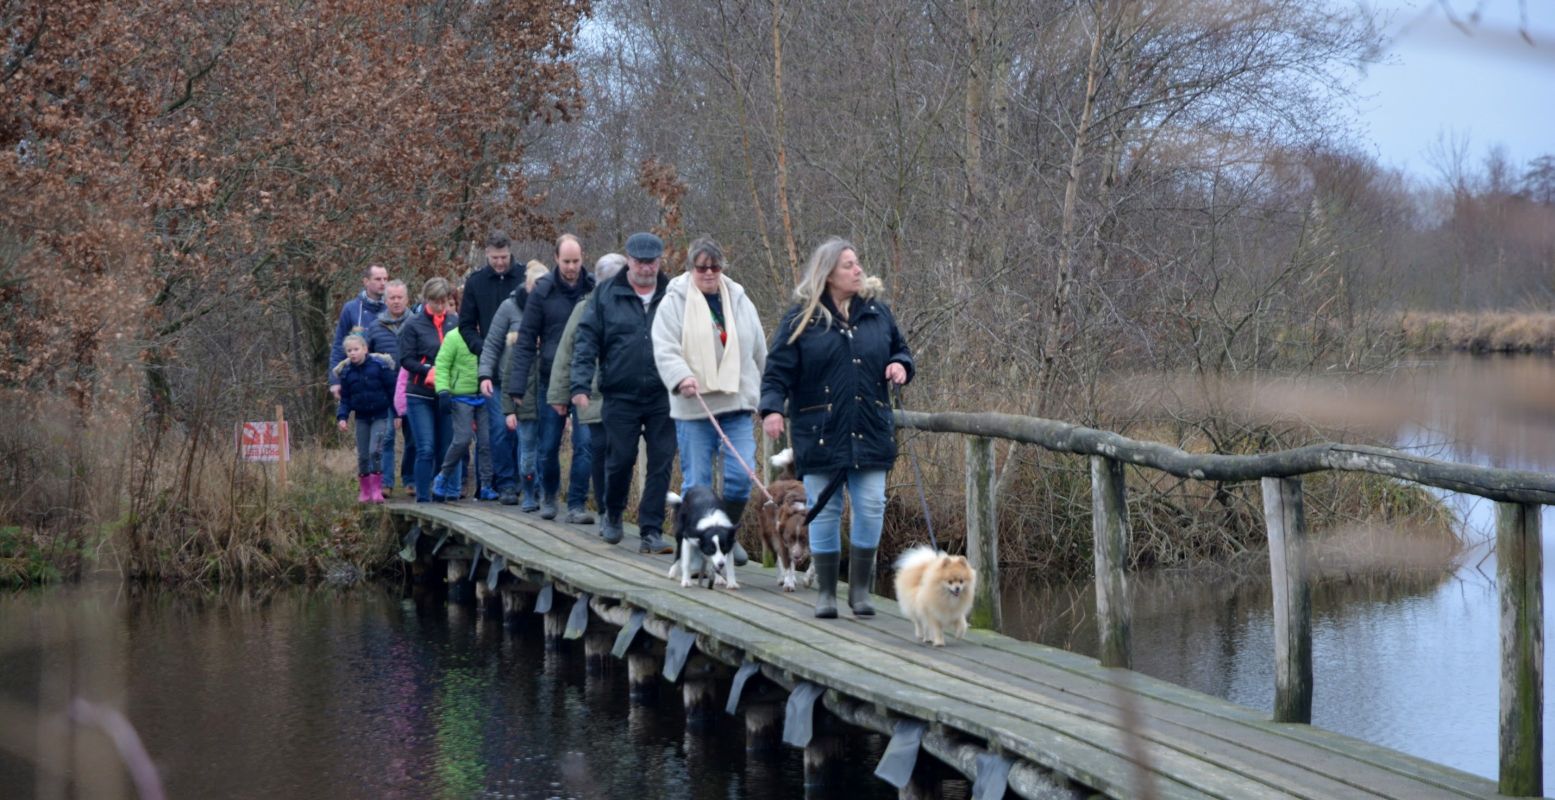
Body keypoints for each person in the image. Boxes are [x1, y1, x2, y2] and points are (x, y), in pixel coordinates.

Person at [759, 237, 914, 619]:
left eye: (857, 263)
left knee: (872, 506)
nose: (858, 269)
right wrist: (772, 409)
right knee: (824, 512)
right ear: (828, 273)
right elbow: (777, 370)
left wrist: (901, 366)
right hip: (820, 430)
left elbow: (901, 349)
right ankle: (826, 592)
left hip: (870, 428)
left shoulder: (878, 313)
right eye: (848, 265)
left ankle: (859, 591)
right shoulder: (801, 318)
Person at [651, 237, 763, 564]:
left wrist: (769, 396)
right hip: (694, 404)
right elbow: (664, 346)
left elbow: (758, 348)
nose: (709, 273)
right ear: (691, 269)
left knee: (741, 478)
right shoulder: (674, 301)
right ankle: (696, 543)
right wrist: (680, 375)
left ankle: (725, 532)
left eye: (715, 267)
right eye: (702, 268)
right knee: (698, 483)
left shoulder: (739, 298)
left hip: (736, 400)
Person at [570, 232, 676, 554]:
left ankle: (651, 530)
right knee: (620, 459)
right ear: (628, 260)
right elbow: (586, 340)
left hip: (663, 393)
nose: (646, 268)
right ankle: (612, 513)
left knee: (661, 462)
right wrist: (579, 384)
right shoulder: (605, 295)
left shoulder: (674, 294)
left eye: (652, 262)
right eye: (640, 262)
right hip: (620, 393)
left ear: (660, 261)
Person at [508, 234, 595, 521]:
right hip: (550, 378)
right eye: (566, 261)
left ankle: (577, 503)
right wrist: (517, 386)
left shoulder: (592, 289)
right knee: (547, 445)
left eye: (576, 261)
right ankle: (548, 496)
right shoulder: (542, 291)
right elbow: (525, 340)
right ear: (556, 259)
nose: (572, 267)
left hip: (585, 379)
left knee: (584, 445)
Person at [548, 253, 625, 529]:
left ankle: (615, 507)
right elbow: (566, 352)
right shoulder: (584, 309)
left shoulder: (633, 307)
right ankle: (605, 509)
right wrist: (559, 395)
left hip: (624, 394)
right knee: (598, 448)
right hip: (591, 393)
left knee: (621, 454)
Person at [481, 261, 551, 510]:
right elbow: (491, 343)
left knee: (541, 442)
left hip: (543, 386)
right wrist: (485, 375)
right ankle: (508, 484)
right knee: (504, 433)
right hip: (508, 381)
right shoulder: (509, 307)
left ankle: (541, 489)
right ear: (527, 285)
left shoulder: (554, 307)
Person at [459, 231, 521, 500]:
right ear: (487, 254)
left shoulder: (525, 278)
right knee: (499, 429)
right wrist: (484, 349)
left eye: (503, 257)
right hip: (492, 368)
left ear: (510, 252)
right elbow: (465, 325)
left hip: (522, 365)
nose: (499, 262)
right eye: (494, 258)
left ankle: (527, 481)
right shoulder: (476, 282)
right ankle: (505, 482)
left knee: (525, 429)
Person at [398, 277, 459, 503]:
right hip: (419, 394)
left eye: (444, 301)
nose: (440, 306)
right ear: (427, 300)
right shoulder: (413, 324)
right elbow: (406, 359)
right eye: (436, 301)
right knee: (426, 447)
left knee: (446, 448)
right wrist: (429, 370)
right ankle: (423, 498)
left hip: (446, 393)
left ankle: (441, 493)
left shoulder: (454, 322)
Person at [433, 305, 492, 502]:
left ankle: (485, 485)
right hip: (461, 395)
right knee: (462, 439)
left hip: (485, 394)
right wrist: (443, 390)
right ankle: (443, 477)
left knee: (486, 441)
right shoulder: (453, 337)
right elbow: (441, 366)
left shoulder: (489, 333)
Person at [334, 333, 397, 503]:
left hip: (380, 416)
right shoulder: (347, 373)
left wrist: (398, 414)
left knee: (374, 451)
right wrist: (342, 417)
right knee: (362, 455)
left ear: (365, 349)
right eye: (349, 351)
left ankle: (377, 488)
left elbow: (392, 391)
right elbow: (345, 399)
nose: (353, 353)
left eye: (356, 349)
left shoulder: (379, 367)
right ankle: (365, 489)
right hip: (361, 417)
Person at [367, 279, 414, 496]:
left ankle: (410, 480)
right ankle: (386, 482)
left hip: (412, 389)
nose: (396, 301)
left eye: (400, 297)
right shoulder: (375, 327)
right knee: (385, 437)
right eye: (392, 298)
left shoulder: (417, 323)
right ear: (385, 300)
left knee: (413, 436)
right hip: (385, 391)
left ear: (407, 299)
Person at [329, 264, 389, 400]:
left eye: (385, 279)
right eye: (378, 279)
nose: (383, 283)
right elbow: (339, 345)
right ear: (366, 281)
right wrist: (335, 380)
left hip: (389, 378)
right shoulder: (351, 309)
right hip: (361, 381)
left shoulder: (393, 307)